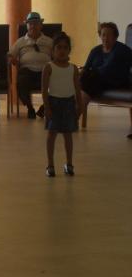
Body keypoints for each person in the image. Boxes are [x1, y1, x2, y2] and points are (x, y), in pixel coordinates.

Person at [42, 32, 82, 177]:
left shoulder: (73, 68)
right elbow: (44, 90)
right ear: (53, 50)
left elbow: (77, 89)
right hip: (54, 103)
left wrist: (79, 106)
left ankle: (69, 164)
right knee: (51, 134)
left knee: (68, 134)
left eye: (65, 47)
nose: (62, 51)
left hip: (69, 103)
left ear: (69, 50)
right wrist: (47, 107)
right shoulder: (49, 67)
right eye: (59, 47)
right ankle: (50, 165)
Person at [8, 12, 53, 119]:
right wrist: (13, 60)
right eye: (30, 23)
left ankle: (44, 108)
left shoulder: (49, 41)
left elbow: (57, 55)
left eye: (36, 23)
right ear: (27, 26)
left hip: (45, 70)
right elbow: (10, 55)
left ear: (41, 25)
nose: (33, 26)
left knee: (58, 81)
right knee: (21, 81)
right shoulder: (20, 41)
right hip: (27, 71)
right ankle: (30, 108)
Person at [81, 22, 132, 105]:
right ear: (100, 36)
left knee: (89, 79)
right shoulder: (95, 50)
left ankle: (79, 106)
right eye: (103, 35)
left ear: (115, 37)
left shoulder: (123, 50)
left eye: (109, 35)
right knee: (84, 77)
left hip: (116, 82)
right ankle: (79, 105)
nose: (105, 38)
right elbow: (85, 68)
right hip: (96, 81)